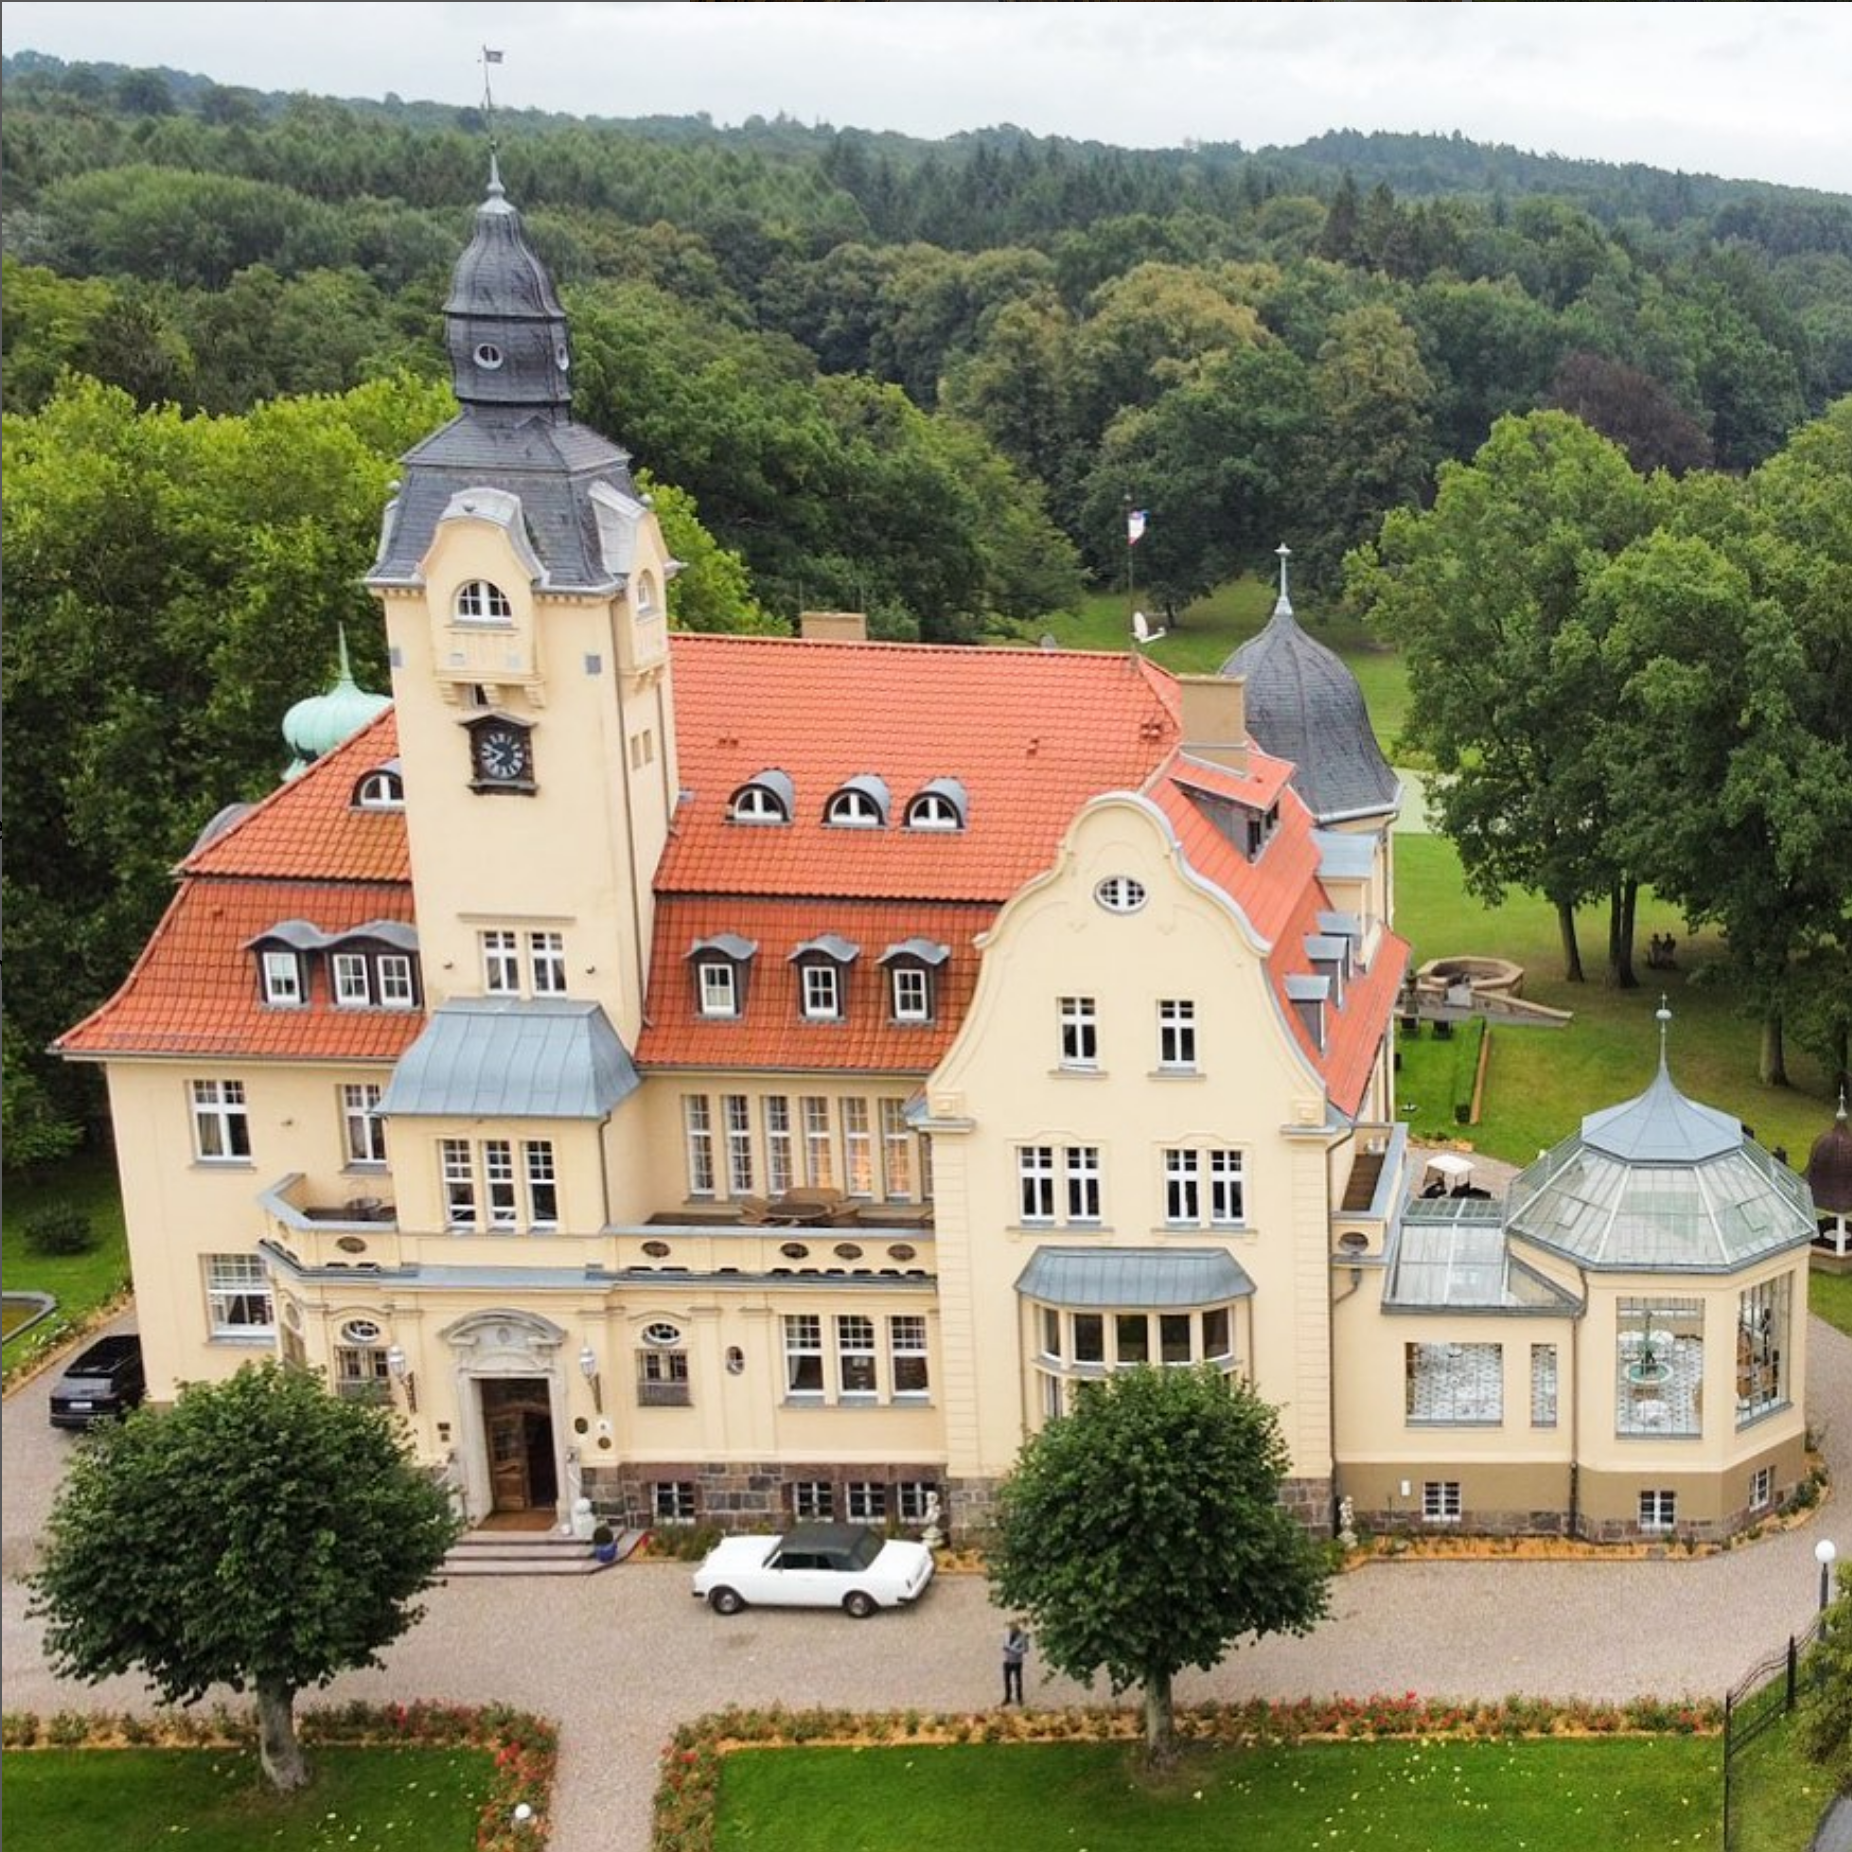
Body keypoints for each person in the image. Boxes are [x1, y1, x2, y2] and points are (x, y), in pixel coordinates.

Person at [1002, 1621, 1030, 1705]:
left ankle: (1019, 1698)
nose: (1011, 1632)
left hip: (1017, 1661)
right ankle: (1007, 1697)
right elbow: (1005, 1643)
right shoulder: (1006, 1634)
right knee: (1007, 1680)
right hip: (1007, 1660)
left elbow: (1025, 1650)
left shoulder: (1023, 1637)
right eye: (1011, 1630)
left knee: (1018, 1680)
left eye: (1013, 1630)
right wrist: (1005, 1648)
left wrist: (1012, 1650)